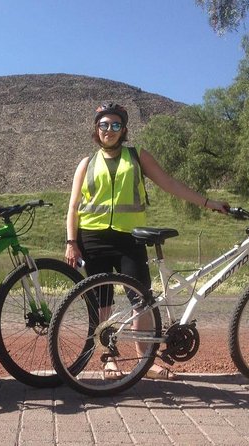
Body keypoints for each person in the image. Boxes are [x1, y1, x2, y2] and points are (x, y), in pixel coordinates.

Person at [64, 103, 228, 381]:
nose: (109, 130)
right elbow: (73, 206)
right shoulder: (86, 163)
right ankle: (110, 359)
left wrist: (208, 203)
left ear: (124, 129)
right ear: (96, 129)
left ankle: (145, 361)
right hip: (93, 238)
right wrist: (71, 241)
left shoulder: (137, 156)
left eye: (116, 125)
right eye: (104, 125)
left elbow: (170, 184)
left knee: (141, 299)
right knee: (102, 302)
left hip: (131, 237)